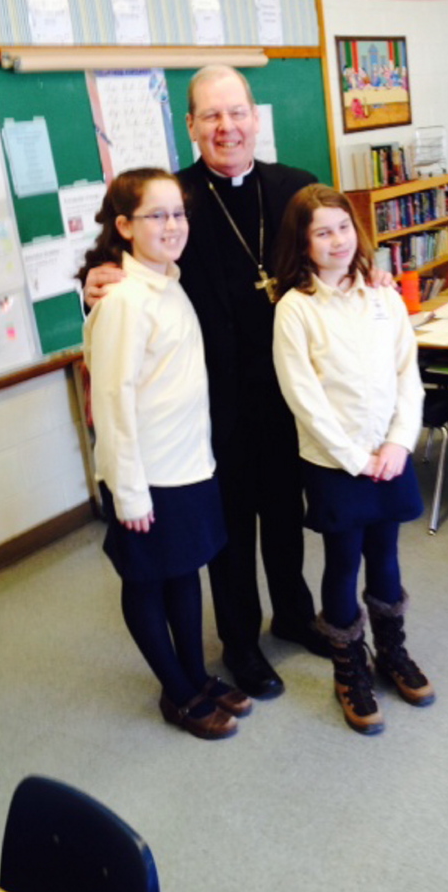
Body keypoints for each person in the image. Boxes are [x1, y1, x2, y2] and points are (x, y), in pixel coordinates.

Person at [83, 65, 328, 699]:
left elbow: (337, 252)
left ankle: (296, 616)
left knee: (283, 515)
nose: (227, 127)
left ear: (255, 117)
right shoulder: (175, 199)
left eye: (237, 112)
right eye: (211, 116)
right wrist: (94, 285)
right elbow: (123, 267)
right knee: (228, 534)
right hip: (210, 408)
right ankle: (241, 645)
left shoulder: (296, 189)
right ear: (190, 125)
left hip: (287, 396)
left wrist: (372, 278)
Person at [82, 167, 252, 739]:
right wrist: (128, 491)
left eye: (178, 213)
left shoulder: (166, 281)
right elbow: (111, 398)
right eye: (157, 215)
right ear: (125, 226)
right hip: (148, 477)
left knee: (185, 573)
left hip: (187, 465)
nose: (173, 224)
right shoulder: (125, 300)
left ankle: (196, 676)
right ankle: (176, 693)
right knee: (147, 580)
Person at [272, 184, 434, 735]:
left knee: (386, 557)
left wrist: (398, 443)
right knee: (343, 563)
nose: (337, 240)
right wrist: (352, 458)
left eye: (343, 227)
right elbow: (303, 397)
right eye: (322, 231)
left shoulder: (384, 298)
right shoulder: (295, 309)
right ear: (303, 242)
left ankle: (391, 654)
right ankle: (350, 670)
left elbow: (406, 376)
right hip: (334, 462)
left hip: (388, 454)